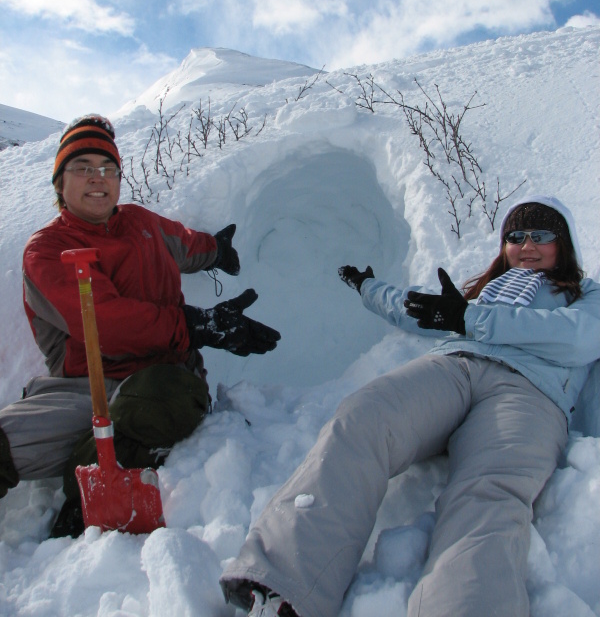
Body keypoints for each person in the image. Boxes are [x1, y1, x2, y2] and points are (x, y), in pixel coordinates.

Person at [220, 195, 600, 617]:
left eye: (542, 235)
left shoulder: (586, 295)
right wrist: (368, 288)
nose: (527, 244)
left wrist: (470, 320)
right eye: (516, 235)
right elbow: (417, 309)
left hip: (531, 393)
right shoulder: (481, 298)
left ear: (563, 244)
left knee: (488, 492)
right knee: (364, 417)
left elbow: (581, 336)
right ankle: (284, 582)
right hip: (456, 368)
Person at [0, 114, 280, 537]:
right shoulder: (48, 249)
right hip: (85, 390)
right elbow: (105, 323)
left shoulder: (142, 223)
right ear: (60, 183)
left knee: (164, 394)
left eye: (108, 168)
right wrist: (198, 325)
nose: (98, 178)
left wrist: (217, 251)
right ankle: (95, 461)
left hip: (162, 380)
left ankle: (82, 496)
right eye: (83, 168)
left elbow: (185, 244)